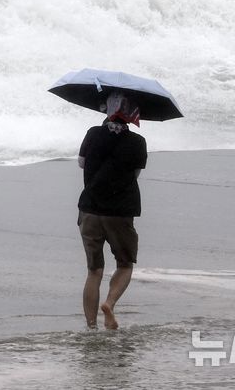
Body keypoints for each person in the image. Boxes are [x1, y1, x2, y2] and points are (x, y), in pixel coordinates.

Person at [77, 91, 147, 330]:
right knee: (125, 264)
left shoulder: (92, 133)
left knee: (94, 270)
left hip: (90, 209)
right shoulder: (137, 142)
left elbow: (82, 163)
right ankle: (109, 303)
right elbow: (135, 174)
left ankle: (91, 327)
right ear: (130, 115)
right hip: (120, 211)